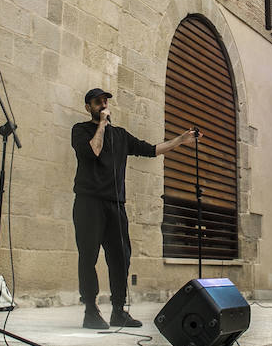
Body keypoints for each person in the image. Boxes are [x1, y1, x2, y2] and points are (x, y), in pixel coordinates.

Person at [72, 87, 197, 330]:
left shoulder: (120, 136)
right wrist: (102, 125)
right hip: (89, 203)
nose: (103, 104)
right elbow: (93, 151)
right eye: (98, 102)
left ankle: (119, 311)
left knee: (121, 258)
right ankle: (90, 310)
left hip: (116, 205)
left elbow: (151, 150)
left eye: (105, 101)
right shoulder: (80, 130)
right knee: (88, 257)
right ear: (88, 107)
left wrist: (180, 141)